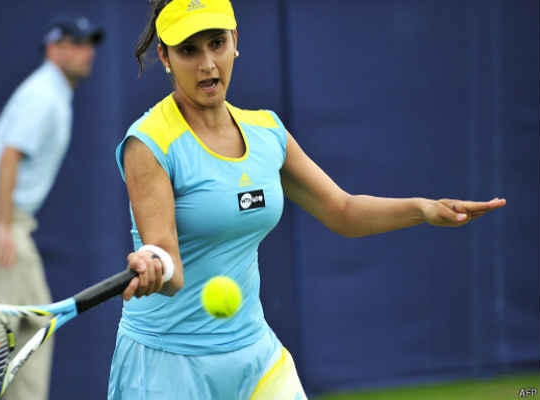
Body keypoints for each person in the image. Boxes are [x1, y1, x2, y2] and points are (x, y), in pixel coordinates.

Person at [108, 0, 507, 399]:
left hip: (255, 357)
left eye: (217, 43)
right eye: (189, 50)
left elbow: (342, 211)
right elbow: (168, 262)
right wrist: (154, 266)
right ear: (165, 57)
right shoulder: (149, 142)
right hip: (167, 364)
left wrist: (424, 209)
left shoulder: (266, 132)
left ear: (235, 41)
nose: (208, 64)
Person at [0, 16, 104, 400]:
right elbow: (9, 157)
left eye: (89, 44)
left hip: (2, 216)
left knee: (34, 323)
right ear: (54, 49)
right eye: (77, 43)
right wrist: (4, 226)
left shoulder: (52, 93)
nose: (87, 52)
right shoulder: (43, 94)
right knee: (3, 317)